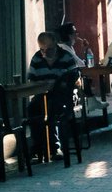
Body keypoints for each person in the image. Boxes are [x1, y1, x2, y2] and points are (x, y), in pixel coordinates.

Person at [26, 31, 80, 161]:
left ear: (55, 45)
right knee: (32, 108)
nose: (45, 53)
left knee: (51, 108)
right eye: (42, 49)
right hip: (43, 95)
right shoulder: (37, 58)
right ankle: (37, 148)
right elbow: (31, 79)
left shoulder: (66, 57)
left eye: (49, 49)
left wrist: (61, 84)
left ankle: (55, 147)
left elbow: (74, 77)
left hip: (63, 96)